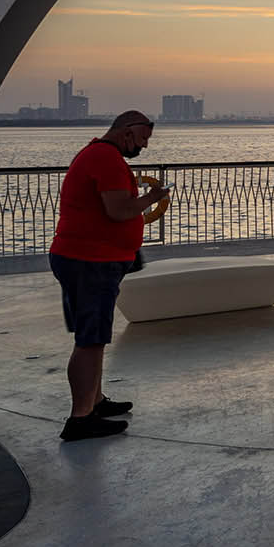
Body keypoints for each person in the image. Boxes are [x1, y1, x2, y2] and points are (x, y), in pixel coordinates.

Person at [49, 110, 171, 442]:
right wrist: (153, 197)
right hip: (91, 261)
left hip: (85, 258)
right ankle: (80, 418)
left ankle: (95, 401)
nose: (144, 147)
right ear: (127, 131)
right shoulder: (106, 159)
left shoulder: (97, 154)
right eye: (143, 139)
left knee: (94, 337)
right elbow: (119, 210)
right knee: (91, 340)